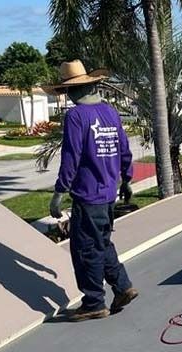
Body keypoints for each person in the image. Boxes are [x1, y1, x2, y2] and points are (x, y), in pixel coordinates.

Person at [46, 60, 138, 321]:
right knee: (101, 242)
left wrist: (59, 192)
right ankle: (123, 287)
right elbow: (124, 149)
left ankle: (94, 302)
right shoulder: (109, 113)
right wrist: (127, 179)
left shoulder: (76, 116)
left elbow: (71, 156)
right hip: (108, 195)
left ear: (74, 90)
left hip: (88, 196)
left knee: (85, 250)